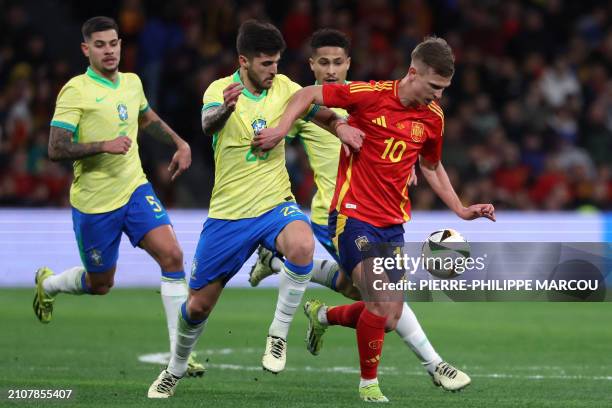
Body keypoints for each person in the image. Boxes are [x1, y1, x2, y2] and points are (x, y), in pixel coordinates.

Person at [253, 36, 496, 402]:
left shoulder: (432, 117)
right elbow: (306, 95)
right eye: (434, 86)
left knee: (390, 313)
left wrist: (460, 208)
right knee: (381, 302)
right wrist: (283, 129)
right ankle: (369, 384)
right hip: (352, 217)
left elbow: (431, 165)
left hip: (392, 225)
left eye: (444, 89)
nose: (439, 96)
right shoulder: (370, 94)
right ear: (413, 73)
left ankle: (323, 317)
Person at [147, 20, 364, 398]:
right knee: (197, 307)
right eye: (265, 64)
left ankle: (278, 334)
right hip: (229, 215)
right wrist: (226, 110)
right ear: (243, 61)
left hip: (275, 203)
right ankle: (175, 367)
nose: (273, 70)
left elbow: (320, 112)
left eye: (276, 62)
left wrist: (342, 128)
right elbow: (206, 123)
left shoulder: (285, 89)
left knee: (301, 245)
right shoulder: (220, 90)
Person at [33, 16, 204, 377]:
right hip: (95, 203)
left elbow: (145, 118)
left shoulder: (131, 82)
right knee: (101, 284)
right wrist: (102, 145)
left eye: (113, 43)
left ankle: (180, 355)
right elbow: (56, 148)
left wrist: (178, 142)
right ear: (86, 49)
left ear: (121, 46)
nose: (109, 51)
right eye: (100, 45)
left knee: (172, 256)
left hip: (134, 189)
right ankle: (47, 284)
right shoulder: (75, 91)